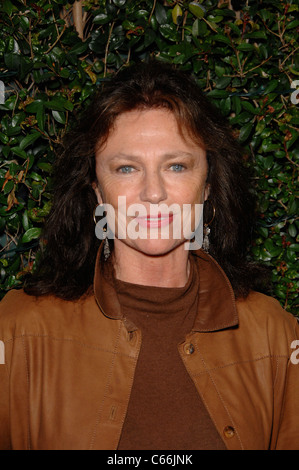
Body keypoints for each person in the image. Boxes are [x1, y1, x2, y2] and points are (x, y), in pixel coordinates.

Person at [0, 60, 298, 451]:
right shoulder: (18, 328)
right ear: (98, 191)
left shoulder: (274, 333)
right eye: (126, 168)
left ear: (207, 185)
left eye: (176, 165)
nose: (153, 192)